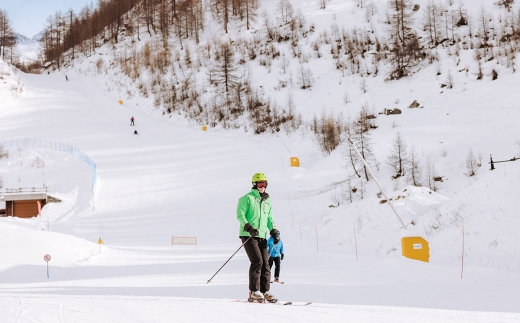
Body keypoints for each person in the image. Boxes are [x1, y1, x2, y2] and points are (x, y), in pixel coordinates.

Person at [237, 173, 279, 303]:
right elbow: (240, 214)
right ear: (254, 184)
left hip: (261, 235)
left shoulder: (267, 200)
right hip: (248, 235)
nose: (262, 186)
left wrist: (273, 231)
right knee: (257, 261)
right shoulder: (246, 198)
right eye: (260, 184)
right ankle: (254, 291)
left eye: (264, 184)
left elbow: (269, 218)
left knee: (266, 264)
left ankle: (265, 291)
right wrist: (248, 227)